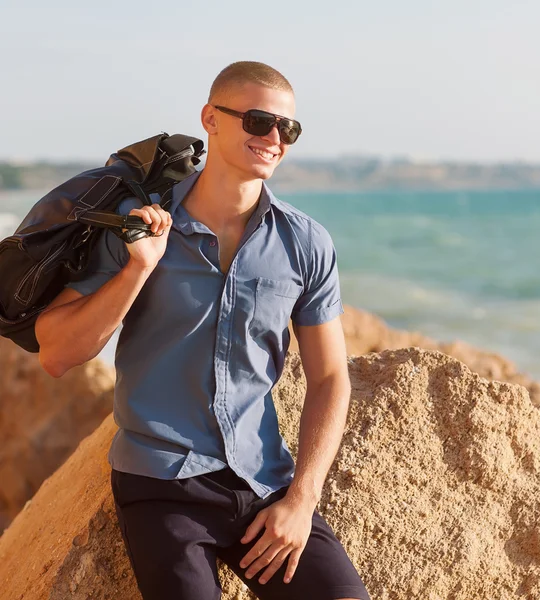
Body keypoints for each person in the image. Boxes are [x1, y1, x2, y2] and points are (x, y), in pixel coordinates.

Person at [36, 61, 370, 600]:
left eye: (287, 129)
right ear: (210, 118)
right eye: (259, 121)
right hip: (162, 482)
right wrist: (138, 267)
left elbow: (331, 378)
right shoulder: (137, 222)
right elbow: (57, 353)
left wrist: (301, 500)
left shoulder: (306, 243)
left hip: (264, 483)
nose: (273, 139)